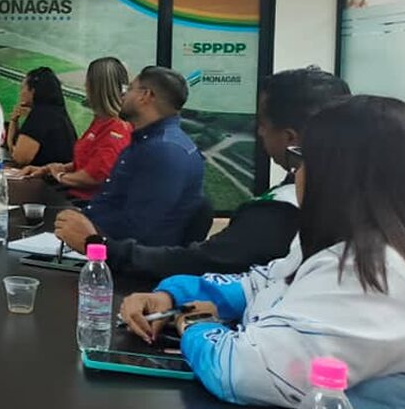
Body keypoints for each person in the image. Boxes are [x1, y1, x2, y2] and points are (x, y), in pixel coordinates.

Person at [120, 96, 405, 408]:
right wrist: (174, 295)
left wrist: (194, 323)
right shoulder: (350, 243)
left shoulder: (380, 274)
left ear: (338, 177)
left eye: (301, 160)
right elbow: (264, 283)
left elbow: (243, 372)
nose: (296, 173)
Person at [55, 67, 350, 279]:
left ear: (290, 138)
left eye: (262, 123)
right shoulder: (337, 193)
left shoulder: (280, 212)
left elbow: (198, 261)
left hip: (124, 267)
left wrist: (95, 246)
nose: (259, 133)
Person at [55, 66, 203, 247]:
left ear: (145, 96)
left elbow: (139, 229)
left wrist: (86, 237)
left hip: (116, 254)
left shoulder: (164, 151)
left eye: (130, 89)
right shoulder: (146, 141)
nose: (122, 95)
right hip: (100, 239)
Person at [20, 57, 132, 201]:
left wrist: (61, 176)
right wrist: (49, 169)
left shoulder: (116, 130)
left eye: (88, 81)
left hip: (87, 203)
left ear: (97, 87)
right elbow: (88, 162)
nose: (85, 85)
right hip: (73, 196)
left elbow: (94, 176)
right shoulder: (100, 122)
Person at [5, 67, 77, 166]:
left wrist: (13, 121)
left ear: (32, 91)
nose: (20, 93)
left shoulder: (40, 116)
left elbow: (19, 158)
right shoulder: (58, 113)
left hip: (47, 174)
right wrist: (14, 120)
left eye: (22, 88)